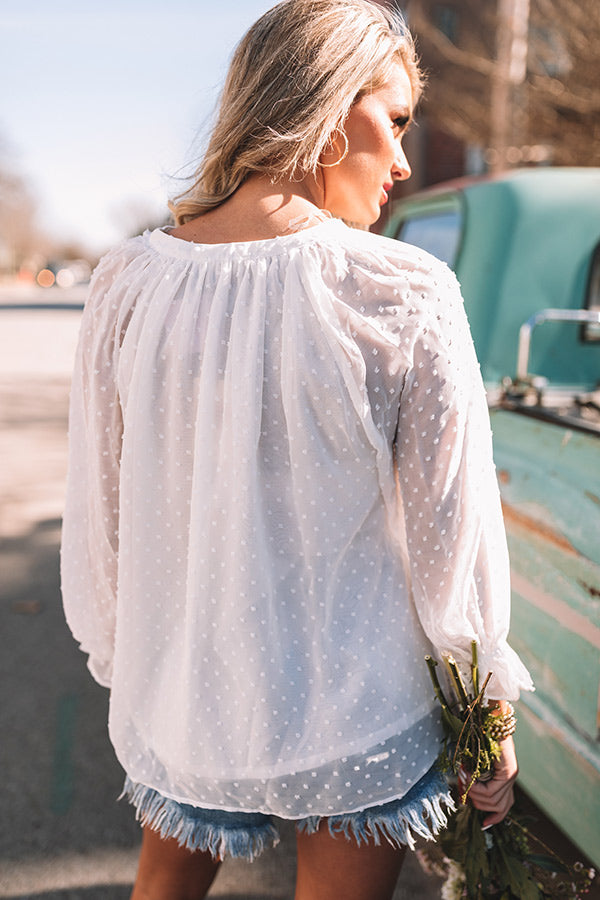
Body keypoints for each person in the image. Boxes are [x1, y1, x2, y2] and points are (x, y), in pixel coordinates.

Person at [60, 1, 534, 898]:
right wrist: (484, 706)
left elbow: (102, 509)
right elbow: (450, 532)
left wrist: (131, 656)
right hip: (356, 703)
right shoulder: (403, 289)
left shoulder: (128, 282)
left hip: (187, 693)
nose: (403, 161)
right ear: (327, 102)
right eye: (396, 121)